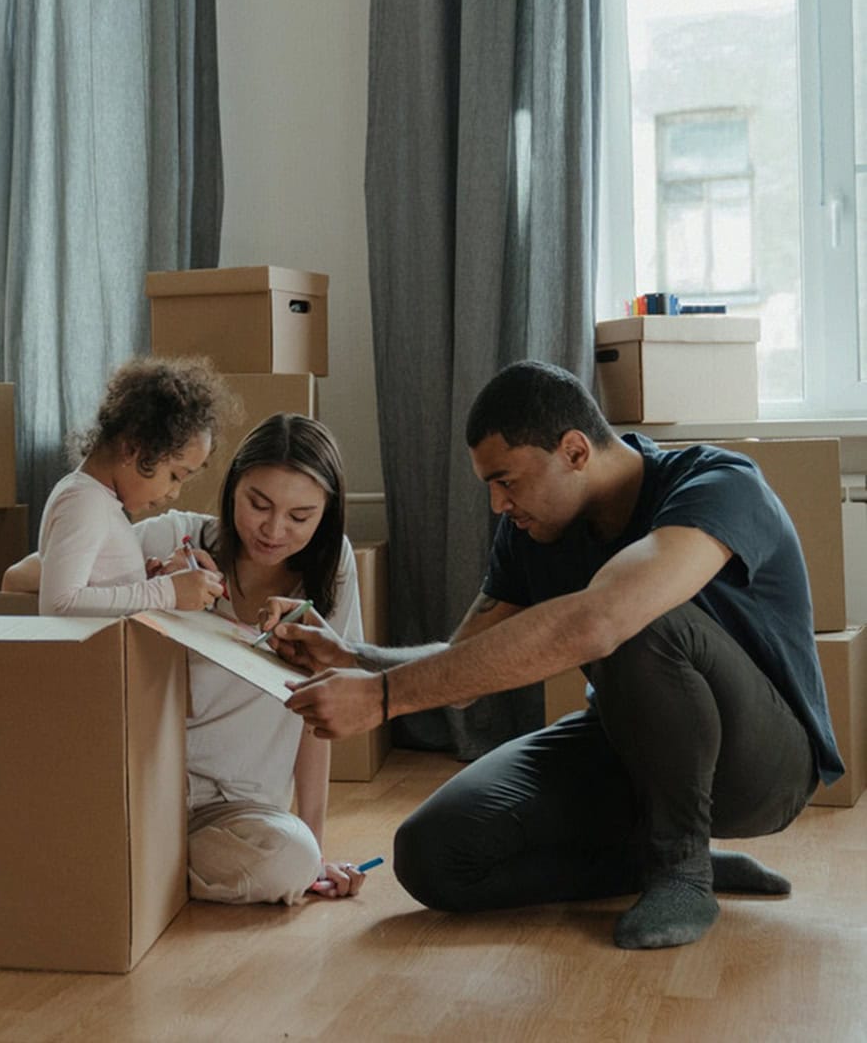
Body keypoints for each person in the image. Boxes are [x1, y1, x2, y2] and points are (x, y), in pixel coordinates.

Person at [272, 360, 843, 949]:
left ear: (574, 450)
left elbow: (603, 620)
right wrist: (354, 659)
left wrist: (383, 699)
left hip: (763, 768)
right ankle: (655, 860)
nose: (497, 505)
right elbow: (465, 665)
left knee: (636, 617)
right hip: (630, 747)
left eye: (507, 481)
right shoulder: (531, 531)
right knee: (433, 855)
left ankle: (682, 869)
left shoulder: (719, 484)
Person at [5, 413, 370, 905]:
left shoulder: (333, 571)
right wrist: (153, 586)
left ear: (326, 514)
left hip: (237, 812)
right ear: (232, 487)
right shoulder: (174, 537)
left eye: (300, 517)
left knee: (292, 859)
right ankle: (137, 866)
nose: (274, 529)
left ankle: (133, 870)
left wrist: (317, 848)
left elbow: (318, 716)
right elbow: (19, 579)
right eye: (257, 504)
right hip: (147, 789)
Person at [32, 356, 230, 616]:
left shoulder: (98, 500)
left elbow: (96, 592)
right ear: (132, 448)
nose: (175, 493)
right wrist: (166, 592)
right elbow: (59, 604)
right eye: (174, 476)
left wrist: (141, 583)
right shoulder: (84, 502)